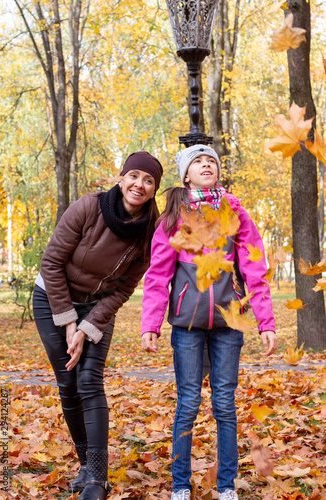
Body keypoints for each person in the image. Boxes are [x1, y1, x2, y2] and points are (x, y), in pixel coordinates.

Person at [141, 144, 278, 500]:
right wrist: (150, 325)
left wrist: (266, 323)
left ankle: (227, 486)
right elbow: (158, 275)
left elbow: (255, 269)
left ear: (218, 171)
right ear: (186, 175)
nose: (206, 165)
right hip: (187, 324)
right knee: (187, 402)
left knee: (224, 403)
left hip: (229, 322)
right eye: (197, 161)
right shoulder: (174, 215)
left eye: (211, 161)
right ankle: (180, 485)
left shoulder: (236, 211)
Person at [33, 151, 163, 500]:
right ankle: (85, 464)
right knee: (68, 380)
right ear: (121, 178)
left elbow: (124, 288)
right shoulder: (88, 207)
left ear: (154, 190)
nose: (139, 184)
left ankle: (96, 478)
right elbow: (51, 262)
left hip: (98, 306)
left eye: (148, 180)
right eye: (133, 176)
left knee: (89, 379)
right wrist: (68, 322)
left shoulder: (150, 231)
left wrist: (88, 325)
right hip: (52, 298)